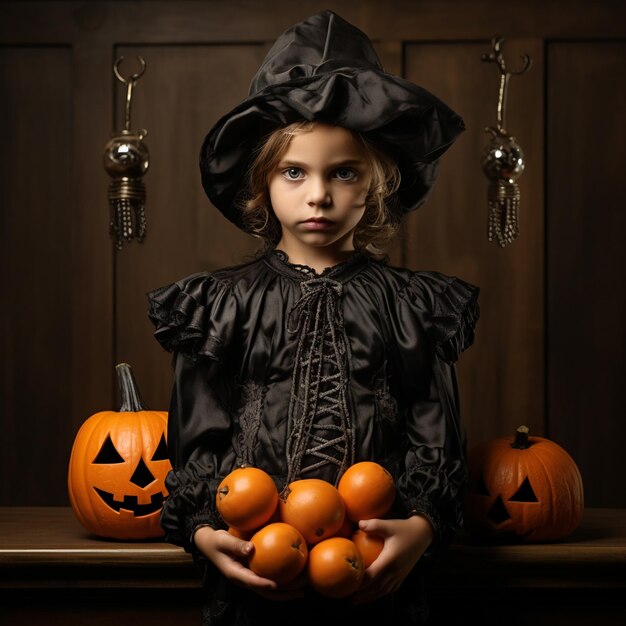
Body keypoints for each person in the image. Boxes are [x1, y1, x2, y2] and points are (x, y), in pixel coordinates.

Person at [147, 10, 479, 626]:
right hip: (255, 570)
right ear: (263, 181)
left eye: (343, 172)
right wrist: (202, 533)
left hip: (379, 574)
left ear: (376, 183)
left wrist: (422, 529)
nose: (318, 194)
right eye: (294, 172)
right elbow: (197, 436)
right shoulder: (220, 304)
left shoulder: (412, 304)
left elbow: (436, 434)